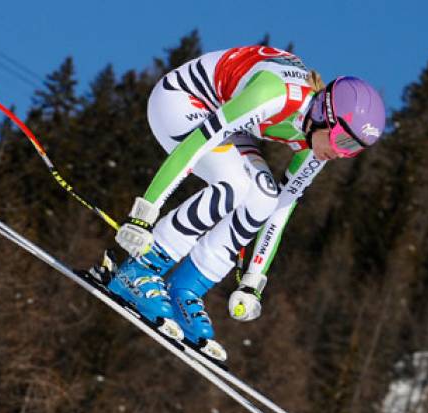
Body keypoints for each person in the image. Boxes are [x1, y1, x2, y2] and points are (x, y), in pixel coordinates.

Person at [107, 45, 386, 361]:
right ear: (325, 115)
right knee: (237, 184)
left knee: (264, 195)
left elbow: (284, 204)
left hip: (225, 116)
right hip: (181, 99)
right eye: (343, 142)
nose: (341, 154)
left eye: (354, 150)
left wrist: (253, 281)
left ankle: (185, 289)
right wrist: (144, 213)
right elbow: (199, 143)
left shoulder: (317, 144)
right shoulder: (275, 94)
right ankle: (140, 267)